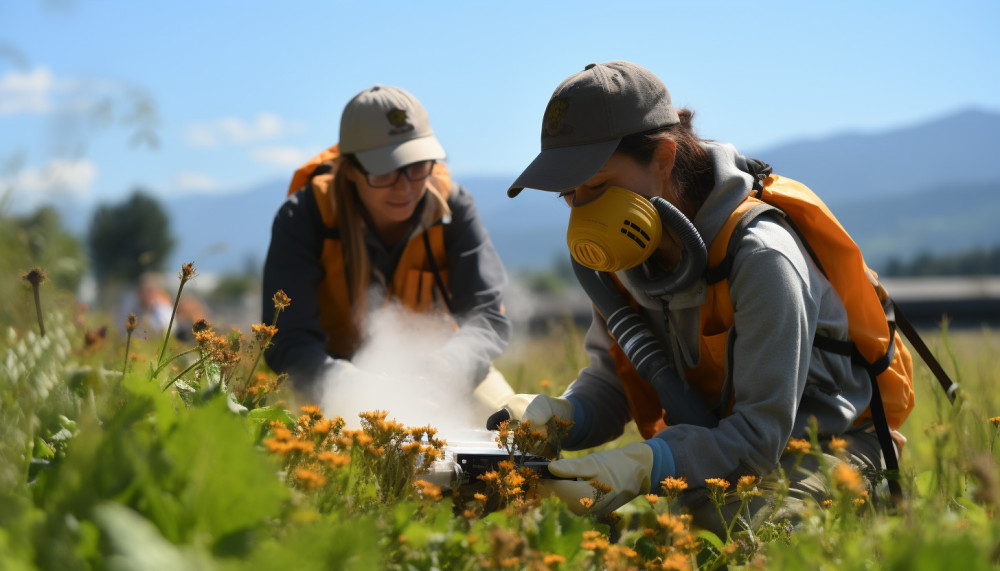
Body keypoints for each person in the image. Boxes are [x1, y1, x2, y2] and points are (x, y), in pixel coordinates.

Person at [497, 61, 914, 535]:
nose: (585, 211)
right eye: (570, 195)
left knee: (748, 538)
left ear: (663, 159)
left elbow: (759, 437)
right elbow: (617, 381)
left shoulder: (761, 257)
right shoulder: (622, 255)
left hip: (826, 445)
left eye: (599, 187)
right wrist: (560, 416)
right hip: (725, 452)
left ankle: (874, 500)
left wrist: (639, 465)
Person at [262, 84, 515, 419]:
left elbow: (487, 318)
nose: (406, 185)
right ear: (350, 169)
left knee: (517, 425)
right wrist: (351, 386)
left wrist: (446, 367)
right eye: (385, 170)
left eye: (417, 165)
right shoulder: (304, 217)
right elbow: (289, 341)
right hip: (335, 375)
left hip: (442, 370)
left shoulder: (455, 208)